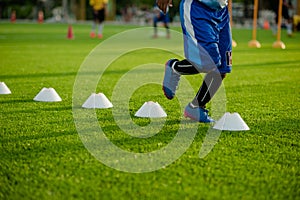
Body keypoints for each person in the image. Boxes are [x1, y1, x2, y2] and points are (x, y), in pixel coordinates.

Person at [157, 0, 232, 123]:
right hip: (198, 7)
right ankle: (175, 67)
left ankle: (196, 107)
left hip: (222, 11)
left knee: (222, 69)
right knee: (208, 62)